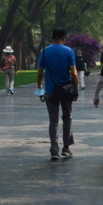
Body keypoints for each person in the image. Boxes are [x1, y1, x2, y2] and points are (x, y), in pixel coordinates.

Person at [37, 27, 78, 160]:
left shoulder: (46, 51)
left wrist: (39, 87)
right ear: (64, 38)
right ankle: (66, 147)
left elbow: (39, 71)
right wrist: (75, 87)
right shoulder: (69, 51)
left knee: (53, 120)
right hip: (66, 90)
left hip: (51, 90)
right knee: (67, 118)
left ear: (52, 38)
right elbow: (74, 72)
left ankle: (54, 149)